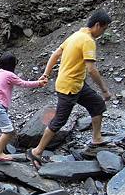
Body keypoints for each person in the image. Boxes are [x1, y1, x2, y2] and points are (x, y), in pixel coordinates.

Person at [28, 9, 113, 169]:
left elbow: (55, 54)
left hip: (76, 84)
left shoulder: (75, 35)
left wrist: (46, 74)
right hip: (69, 87)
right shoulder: (87, 40)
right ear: (97, 25)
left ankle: (96, 139)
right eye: (104, 28)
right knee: (59, 120)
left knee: (97, 105)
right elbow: (92, 69)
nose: (103, 32)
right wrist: (104, 90)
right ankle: (36, 151)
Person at [0, 52, 47, 162]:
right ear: (12, 65)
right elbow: (23, 84)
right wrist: (39, 83)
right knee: (8, 130)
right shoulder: (9, 75)